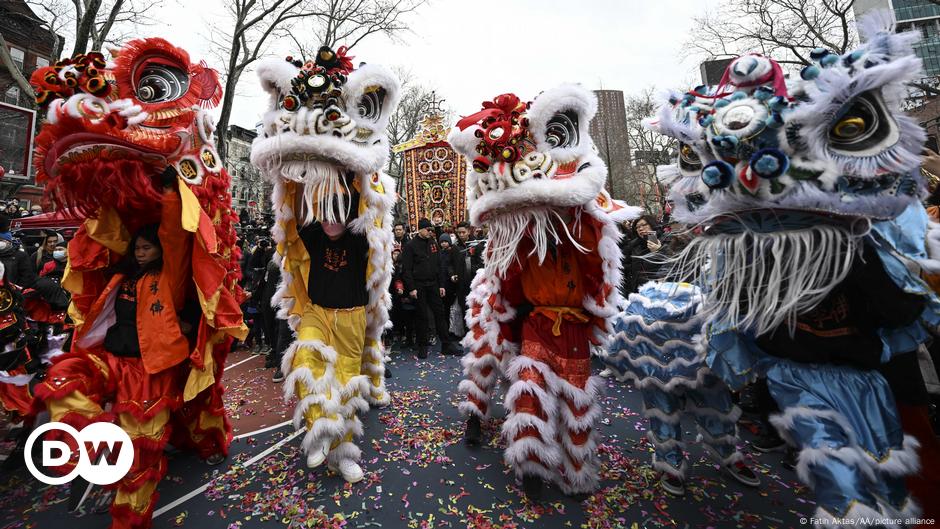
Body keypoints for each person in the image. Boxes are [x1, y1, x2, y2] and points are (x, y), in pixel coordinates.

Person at [450, 87, 640, 499]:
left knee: (575, 399)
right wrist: (502, 307)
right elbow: (509, 280)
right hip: (536, 322)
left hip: (571, 327)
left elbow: (598, 267)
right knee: (529, 387)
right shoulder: (521, 245)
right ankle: (530, 464)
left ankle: (576, 471)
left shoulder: (582, 235)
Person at [37, 185, 209, 525]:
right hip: (111, 359)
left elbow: (174, 237)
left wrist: (172, 193)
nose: (141, 252)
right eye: (138, 247)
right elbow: (106, 230)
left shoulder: (168, 278)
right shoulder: (120, 275)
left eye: (148, 247)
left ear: (159, 250)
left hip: (149, 370)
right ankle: (98, 454)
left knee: (141, 449)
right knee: (63, 381)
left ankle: (129, 513)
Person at [604, 282, 760, 495]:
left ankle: (727, 453)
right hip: (657, 322)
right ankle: (670, 462)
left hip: (702, 320)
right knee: (661, 401)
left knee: (713, 398)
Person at [400, 218, 459, 359]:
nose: (429, 232)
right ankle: (422, 346)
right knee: (422, 316)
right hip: (418, 285)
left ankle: (446, 344)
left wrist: (441, 285)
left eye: (431, 230)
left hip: (433, 284)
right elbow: (406, 270)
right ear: (420, 229)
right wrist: (411, 288)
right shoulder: (410, 246)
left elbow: (439, 265)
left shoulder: (433, 243)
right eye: (427, 229)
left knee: (440, 313)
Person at [0, 214, 37, 289]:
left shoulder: (20, 255)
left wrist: (16, 290)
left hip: (11, 294)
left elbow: (26, 277)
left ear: (9, 241)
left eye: (2, 240)